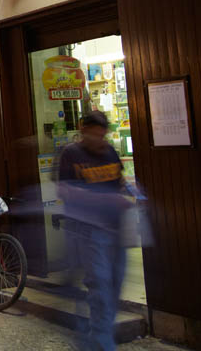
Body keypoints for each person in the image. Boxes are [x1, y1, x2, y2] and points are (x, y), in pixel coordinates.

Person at [57, 111, 132, 351]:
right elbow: (64, 191)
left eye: (103, 134)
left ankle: (96, 338)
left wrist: (131, 192)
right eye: (95, 134)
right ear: (84, 130)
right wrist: (103, 200)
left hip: (115, 229)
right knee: (99, 287)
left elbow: (119, 181)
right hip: (87, 230)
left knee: (114, 286)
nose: (100, 139)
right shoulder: (71, 154)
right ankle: (102, 343)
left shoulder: (109, 151)